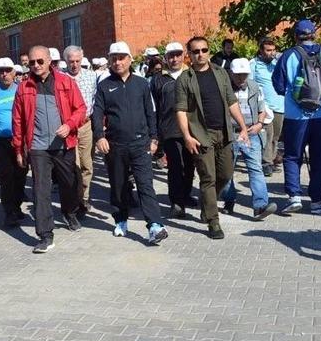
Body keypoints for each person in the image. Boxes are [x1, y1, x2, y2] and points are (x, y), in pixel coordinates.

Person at [12, 46, 86, 253]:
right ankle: (45, 235)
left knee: (70, 184)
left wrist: (69, 125)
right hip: (37, 147)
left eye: (39, 61)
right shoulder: (23, 86)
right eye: (32, 62)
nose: (35, 65)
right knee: (40, 190)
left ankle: (70, 212)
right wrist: (19, 148)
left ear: (49, 61)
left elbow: (81, 109)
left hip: (63, 145)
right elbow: (17, 120)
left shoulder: (65, 82)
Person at [93, 42, 168, 243]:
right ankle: (121, 220)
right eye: (114, 59)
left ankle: (154, 225)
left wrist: (154, 138)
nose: (117, 62)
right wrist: (99, 136)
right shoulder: (104, 85)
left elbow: (150, 112)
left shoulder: (142, 84)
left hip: (141, 144)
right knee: (118, 186)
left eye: (121, 58)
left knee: (145, 185)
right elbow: (97, 113)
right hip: (115, 145)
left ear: (129, 60)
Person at [176, 36, 249, 239]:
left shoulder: (220, 73)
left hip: (224, 132)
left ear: (209, 51)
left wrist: (242, 127)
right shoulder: (185, 79)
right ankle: (213, 222)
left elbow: (231, 101)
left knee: (225, 175)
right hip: (201, 135)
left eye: (204, 50)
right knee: (208, 177)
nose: (200, 54)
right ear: (189, 55)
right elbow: (181, 110)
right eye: (195, 51)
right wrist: (187, 137)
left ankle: (206, 206)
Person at [272, 19, 321, 215]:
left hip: (295, 116)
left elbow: (279, 86)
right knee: (319, 157)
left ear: (295, 36)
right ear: (314, 34)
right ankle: (317, 202)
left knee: (292, 156)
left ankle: (295, 197)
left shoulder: (288, 56)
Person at [219, 59, 277, 219]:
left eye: (244, 74)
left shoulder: (254, 87)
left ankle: (260, 206)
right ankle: (228, 200)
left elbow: (262, 108)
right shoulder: (223, 88)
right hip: (230, 134)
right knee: (227, 171)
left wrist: (259, 124)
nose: (241, 78)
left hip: (251, 134)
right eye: (238, 75)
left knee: (255, 169)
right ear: (231, 73)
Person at [150, 42, 197, 218]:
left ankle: (186, 194)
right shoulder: (158, 80)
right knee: (176, 167)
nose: (174, 59)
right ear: (165, 58)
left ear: (183, 55)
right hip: (169, 130)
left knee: (190, 165)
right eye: (171, 55)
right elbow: (153, 108)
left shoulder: (192, 74)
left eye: (178, 55)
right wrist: (154, 134)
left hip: (193, 129)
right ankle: (176, 202)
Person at [0, 57, 28, 227]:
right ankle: (9, 212)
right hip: (1, 143)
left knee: (21, 176)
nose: (4, 74)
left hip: (20, 141)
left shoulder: (21, 90)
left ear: (14, 72)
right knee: (6, 177)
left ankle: (16, 207)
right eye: (1, 71)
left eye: (8, 70)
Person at [63, 45, 97, 215]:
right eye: (71, 61)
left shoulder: (92, 77)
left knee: (86, 165)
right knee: (72, 166)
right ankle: (75, 201)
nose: (74, 65)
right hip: (68, 128)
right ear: (66, 61)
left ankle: (84, 197)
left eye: (77, 61)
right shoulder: (61, 79)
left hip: (86, 126)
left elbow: (96, 102)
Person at [250, 37, 284, 175]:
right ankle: (266, 163)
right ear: (261, 51)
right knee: (267, 135)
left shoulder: (278, 63)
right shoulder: (254, 64)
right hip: (265, 106)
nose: (271, 53)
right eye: (268, 50)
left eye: (273, 50)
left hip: (280, 105)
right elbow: (250, 85)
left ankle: (272, 159)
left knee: (276, 136)